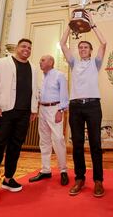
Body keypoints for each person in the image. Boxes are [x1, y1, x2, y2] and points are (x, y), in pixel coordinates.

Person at [0, 38, 38, 205]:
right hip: (4, 112)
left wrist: (33, 109)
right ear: (17, 48)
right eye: (23, 46)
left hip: (24, 114)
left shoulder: (33, 68)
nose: (26, 49)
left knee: (15, 147)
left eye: (29, 47)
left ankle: (8, 178)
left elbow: (34, 90)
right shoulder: (2, 63)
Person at [60, 13, 107, 197]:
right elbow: (63, 44)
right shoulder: (74, 63)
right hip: (76, 107)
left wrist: (93, 24)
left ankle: (98, 181)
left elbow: (103, 43)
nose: (83, 49)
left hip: (93, 106)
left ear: (90, 50)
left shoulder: (96, 63)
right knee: (77, 144)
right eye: (81, 47)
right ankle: (79, 178)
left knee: (96, 144)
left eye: (86, 47)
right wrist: (70, 26)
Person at [28, 55, 69, 185]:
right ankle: (46, 170)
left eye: (43, 60)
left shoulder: (59, 75)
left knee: (58, 139)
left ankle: (63, 170)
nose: (40, 61)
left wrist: (61, 110)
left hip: (55, 108)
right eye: (40, 60)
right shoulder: (41, 78)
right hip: (43, 110)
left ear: (51, 62)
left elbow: (64, 94)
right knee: (44, 140)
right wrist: (35, 110)